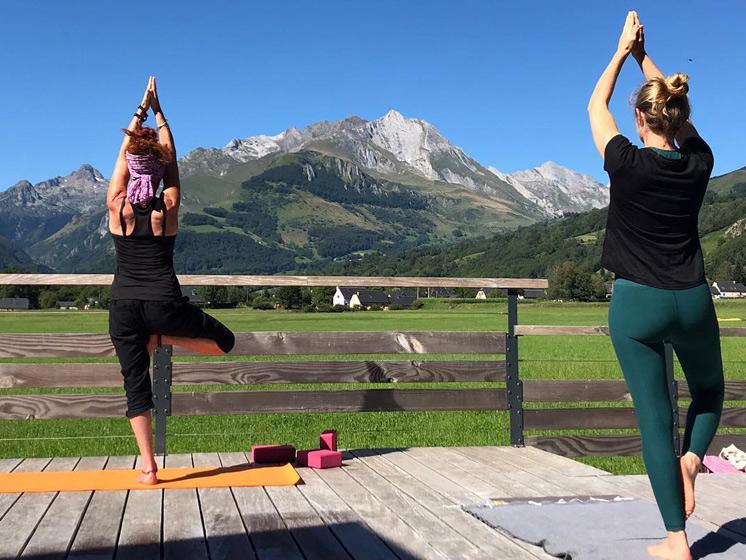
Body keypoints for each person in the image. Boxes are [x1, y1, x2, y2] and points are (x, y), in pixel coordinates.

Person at [588, 12, 724, 560]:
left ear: (641, 120)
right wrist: (650, 60)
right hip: (691, 297)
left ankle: (675, 540)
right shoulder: (699, 163)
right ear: (677, 117)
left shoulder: (626, 163)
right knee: (710, 393)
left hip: (637, 302)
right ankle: (693, 459)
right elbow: (679, 119)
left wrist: (622, 51)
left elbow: (595, 106)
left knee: (654, 421)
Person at [107, 77, 235, 484]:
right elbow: (174, 163)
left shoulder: (116, 206)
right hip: (164, 303)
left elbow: (121, 160)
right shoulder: (169, 206)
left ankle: (148, 467)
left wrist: (139, 112)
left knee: (135, 385)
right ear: (159, 170)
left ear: (131, 166)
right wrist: (161, 113)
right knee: (224, 343)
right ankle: (165, 338)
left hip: (123, 306)